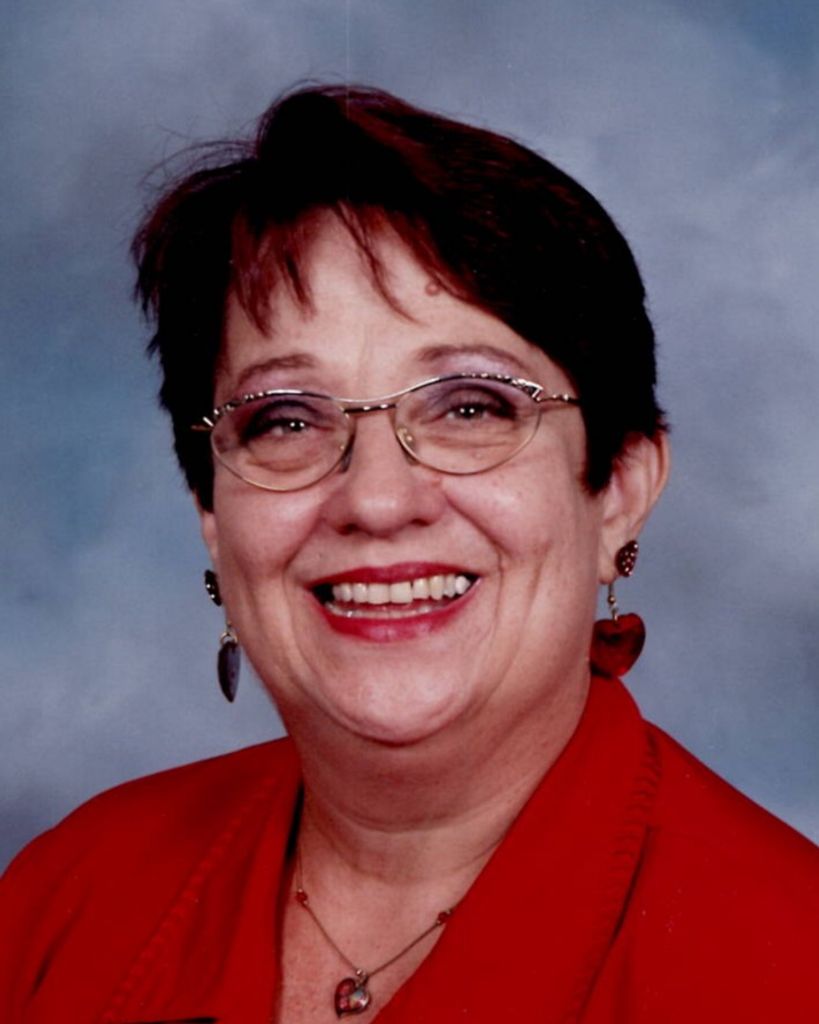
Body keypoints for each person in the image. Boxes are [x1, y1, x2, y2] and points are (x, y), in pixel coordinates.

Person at [1, 84, 818, 1024]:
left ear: (619, 489)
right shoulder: (67, 895)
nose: (377, 500)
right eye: (286, 420)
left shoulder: (786, 966)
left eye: (470, 407)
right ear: (212, 513)